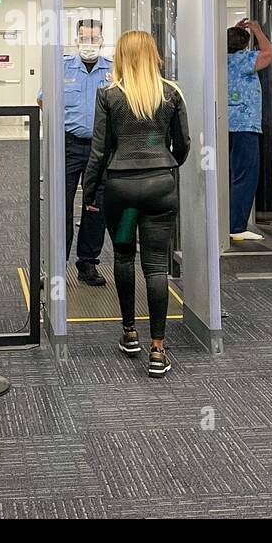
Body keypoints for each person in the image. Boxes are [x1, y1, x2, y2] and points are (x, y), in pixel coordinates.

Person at [83, 30, 191, 378]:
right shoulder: (172, 93)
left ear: (120, 57)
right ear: (153, 55)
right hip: (160, 185)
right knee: (157, 267)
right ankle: (158, 350)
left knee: (125, 257)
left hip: (123, 191)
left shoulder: (109, 95)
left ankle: (130, 333)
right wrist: (164, 164)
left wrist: (89, 191)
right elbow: (183, 145)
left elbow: (99, 150)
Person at [36, 18, 112, 286]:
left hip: (101, 149)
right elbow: (42, 98)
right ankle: (56, 265)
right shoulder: (62, 67)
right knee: (61, 207)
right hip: (67, 146)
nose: (88, 43)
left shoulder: (113, 71)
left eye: (93, 38)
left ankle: (88, 263)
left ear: (102, 40)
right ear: (76, 39)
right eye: (83, 38)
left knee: (95, 208)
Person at [226, 18, 272, 242]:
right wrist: (257, 30)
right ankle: (236, 227)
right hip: (244, 125)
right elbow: (269, 54)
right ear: (245, 46)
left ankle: (225, 222)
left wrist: (235, 32)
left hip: (222, 124)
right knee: (246, 176)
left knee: (228, 176)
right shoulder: (244, 59)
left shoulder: (219, 60)